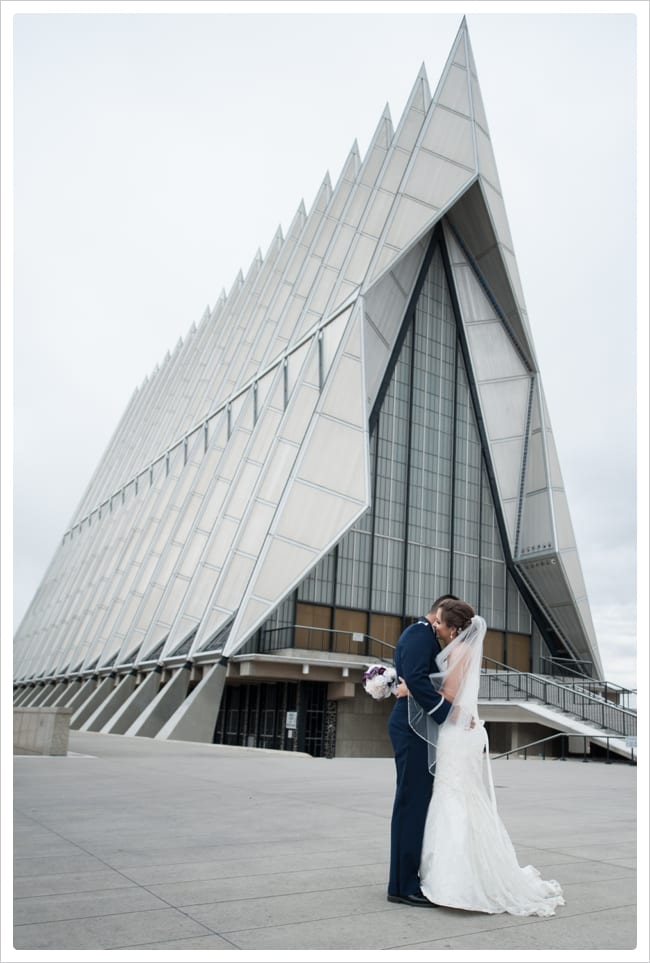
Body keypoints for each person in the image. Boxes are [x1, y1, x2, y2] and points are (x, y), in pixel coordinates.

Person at [406, 598, 565, 917]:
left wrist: (410, 688)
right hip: (464, 730)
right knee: (463, 796)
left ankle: (458, 882)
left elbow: (449, 696)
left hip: (457, 733)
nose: (434, 626)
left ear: (453, 630)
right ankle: (466, 873)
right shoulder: (461, 650)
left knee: (455, 798)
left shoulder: (460, 652)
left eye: (439, 623)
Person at [386, 594, 459, 907]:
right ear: (439, 615)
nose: (448, 631)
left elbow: (415, 679)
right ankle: (403, 887)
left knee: (414, 803)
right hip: (411, 728)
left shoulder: (422, 635)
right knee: (410, 804)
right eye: (448, 623)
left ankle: (405, 880)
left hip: (416, 726)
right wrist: (448, 713)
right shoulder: (419, 634)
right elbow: (415, 678)